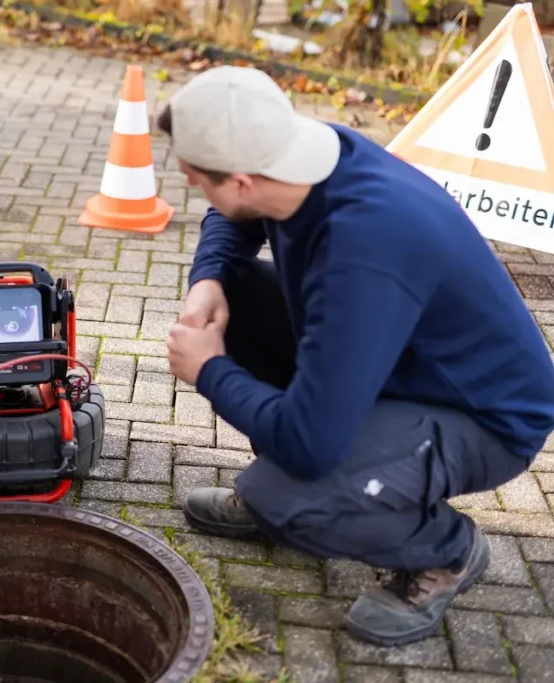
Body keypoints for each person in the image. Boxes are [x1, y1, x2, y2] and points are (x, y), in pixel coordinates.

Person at [158, 66, 554, 647]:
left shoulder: (366, 248)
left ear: (244, 180)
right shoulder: (310, 153)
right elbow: (230, 215)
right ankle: (299, 484)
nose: (193, 186)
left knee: (289, 497)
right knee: (235, 297)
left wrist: (209, 371)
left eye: (196, 179)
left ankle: (444, 551)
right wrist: (209, 279)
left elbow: (311, 442)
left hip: (484, 417)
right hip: (395, 363)